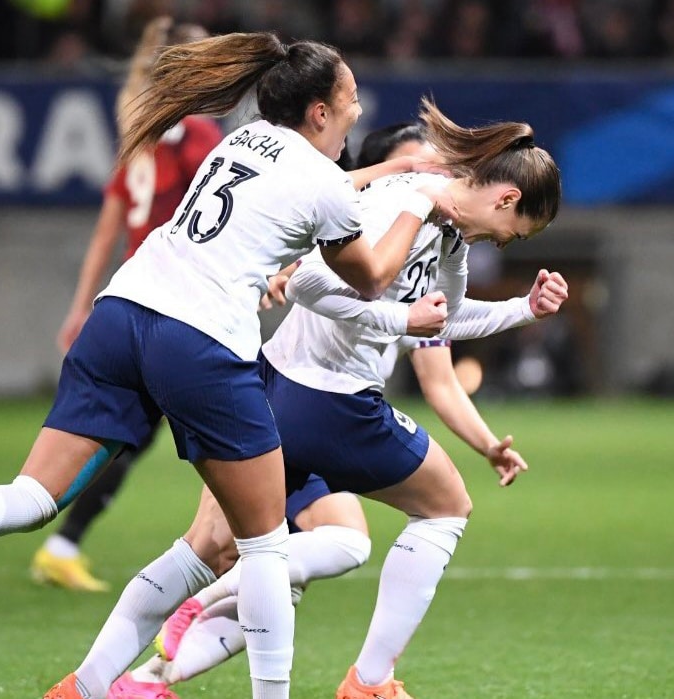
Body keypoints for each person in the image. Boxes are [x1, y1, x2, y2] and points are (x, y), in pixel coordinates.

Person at [0, 33, 461, 699]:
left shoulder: (239, 140)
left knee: (33, 495)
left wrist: (391, 175)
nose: (357, 113)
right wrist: (419, 202)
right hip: (198, 339)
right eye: (350, 101)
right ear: (319, 113)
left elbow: (326, 184)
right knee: (265, 544)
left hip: (123, 311)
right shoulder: (321, 182)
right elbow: (371, 276)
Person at [102, 110, 568, 699]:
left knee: (217, 551)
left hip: (272, 384)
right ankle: (369, 683)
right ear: (506, 199)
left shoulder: (450, 232)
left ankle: (110, 681)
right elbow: (306, 285)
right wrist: (399, 316)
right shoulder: (401, 205)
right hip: (330, 400)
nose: (507, 241)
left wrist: (524, 308)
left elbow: (442, 322)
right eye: (517, 231)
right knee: (445, 507)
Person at [32, 17, 223, 593]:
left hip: (133, 294)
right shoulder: (198, 137)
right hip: (180, 304)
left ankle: (58, 539)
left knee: (132, 435)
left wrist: (81, 304)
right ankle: (239, 553)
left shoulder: (140, 132)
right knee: (232, 431)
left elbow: (107, 230)